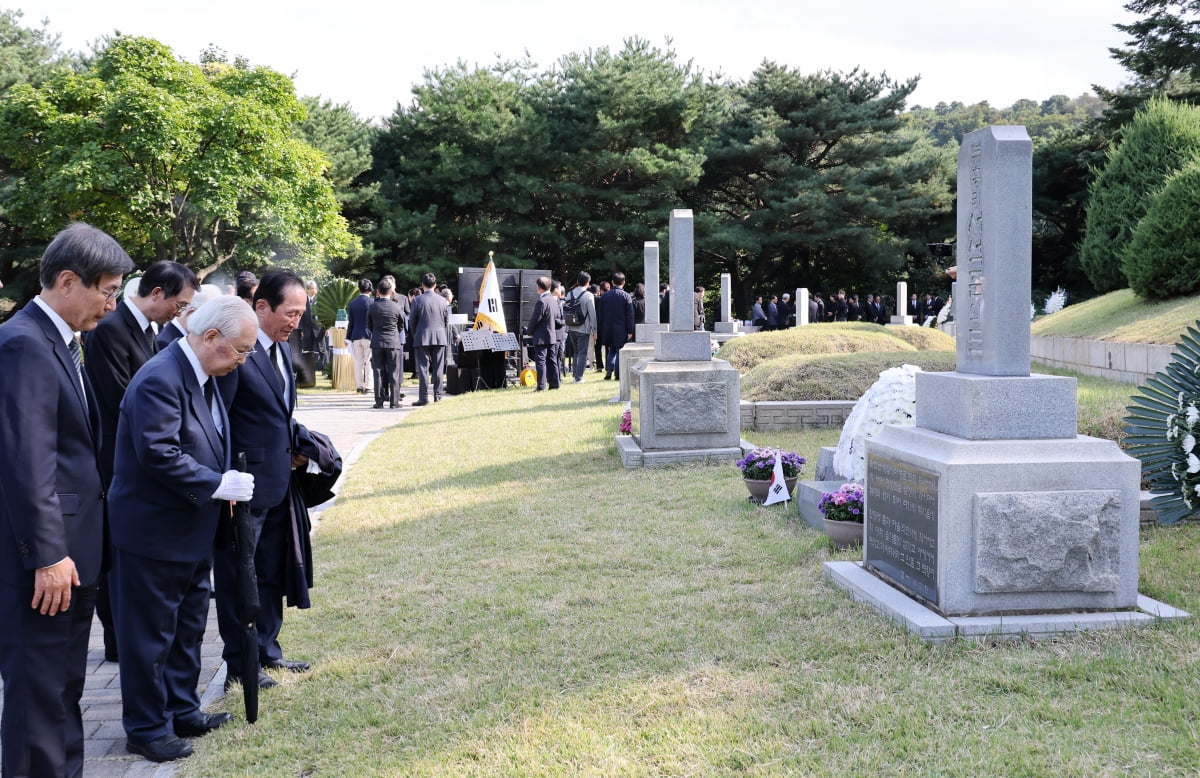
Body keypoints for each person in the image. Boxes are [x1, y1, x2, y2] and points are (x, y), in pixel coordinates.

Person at [0, 221, 134, 778]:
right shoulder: (25, 344)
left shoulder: (64, 342)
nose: (111, 305)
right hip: (45, 566)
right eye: (108, 291)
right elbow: (25, 463)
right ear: (67, 280)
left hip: (73, 560)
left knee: (62, 693)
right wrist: (48, 555)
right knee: (38, 700)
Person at [108, 296, 257, 763]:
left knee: (187, 628)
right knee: (150, 635)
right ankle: (147, 728)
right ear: (210, 337)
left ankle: (181, 708)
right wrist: (216, 482)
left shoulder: (202, 375)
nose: (242, 360)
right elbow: (158, 452)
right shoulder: (161, 377)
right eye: (239, 350)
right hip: (154, 532)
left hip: (190, 529)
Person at [84, 260, 199, 663]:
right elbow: (120, 402)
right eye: (180, 304)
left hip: (139, 457)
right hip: (116, 460)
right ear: (156, 295)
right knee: (116, 556)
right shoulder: (111, 332)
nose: (180, 313)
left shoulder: (149, 332)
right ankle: (117, 639)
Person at [214, 269, 314, 691]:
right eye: (289, 313)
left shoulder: (281, 353)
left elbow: (278, 415)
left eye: (300, 314)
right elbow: (219, 420)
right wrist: (227, 479)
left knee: (271, 572)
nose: (295, 321)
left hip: (277, 483)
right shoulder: (240, 353)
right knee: (242, 575)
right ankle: (241, 662)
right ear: (261, 307)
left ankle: (268, 650)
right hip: (243, 488)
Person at [408, 272, 450, 406]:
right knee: (438, 369)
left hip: (422, 336)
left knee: (423, 369)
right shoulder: (443, 300)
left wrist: (417, 334)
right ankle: (438, 396)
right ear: (435, 285)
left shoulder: (417, 300)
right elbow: (446, 320)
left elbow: (412, 321)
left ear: (422, 285)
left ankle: (423, 397)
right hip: (439, 336)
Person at [368, 278, 406, 408]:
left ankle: (379, 402)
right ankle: (394, 402)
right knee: (394, 372)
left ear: (377, 291)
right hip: (393, 342)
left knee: (377, 372)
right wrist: (394, 333)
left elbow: (369, 325)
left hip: (377, 341)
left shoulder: (373, 307)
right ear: (391, 291)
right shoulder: (396, 307)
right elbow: (401, 325)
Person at [158, 284, 223, 350]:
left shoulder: (178, 338)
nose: (213, 326)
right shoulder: (165, 343)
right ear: (191, 314)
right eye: (209, 319)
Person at [596, 271, 634, 381]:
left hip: (607, 328)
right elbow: (630, 315)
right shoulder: (626, 296)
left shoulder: (604, 296)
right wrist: (630, 330)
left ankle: (609, 370)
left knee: (611, 350)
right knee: (619, 350)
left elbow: (600, 314)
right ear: (624, 282)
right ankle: (618, 374)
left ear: (612, 282)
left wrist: (600, 329)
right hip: (621, 328)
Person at [526, 276, 560, 391]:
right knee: (552, 360)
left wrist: (529, 331)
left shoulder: (541, 301)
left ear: (538, 287)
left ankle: (541, 386)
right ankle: (555, 383)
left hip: (541, 336)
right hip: (552, 335)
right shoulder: (553, 300)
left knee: (540, 361)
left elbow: (536, 318)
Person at [564, 272, 596, 383]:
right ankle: (579, 377)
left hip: (571, 327)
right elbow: (592, 314)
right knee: (582, 353)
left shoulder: (569, 294)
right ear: (588, 282)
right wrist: (594, 330)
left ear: (577, 281)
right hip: (584, 328)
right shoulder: (588, 295)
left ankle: (575, 375)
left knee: (576, 352)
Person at [347, 278, 373, 395]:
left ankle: (359, 385)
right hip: (369, 335)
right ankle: (368, 385)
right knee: (368, 361)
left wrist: (347, 337)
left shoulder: (352, 303)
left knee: (358, 361)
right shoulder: (372, 302)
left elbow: (350, 322)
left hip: (356, 335)